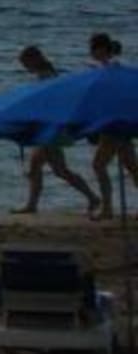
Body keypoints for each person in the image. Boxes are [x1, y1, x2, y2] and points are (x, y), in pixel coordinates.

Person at [12, 46, 99, 215]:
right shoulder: (47, 74)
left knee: (57, 170)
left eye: (25, 63)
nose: (24, 67)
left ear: (33, 60)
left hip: (51, 130)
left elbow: (49, 103)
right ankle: (32, 205)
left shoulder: (46, 76)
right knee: (44, 168)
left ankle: (92, 198)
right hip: (51, 129)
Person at [86, 33, 137, 219]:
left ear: (102, 49)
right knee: (131, 166)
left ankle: (107, 208)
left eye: (93, 48)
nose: (91, 52)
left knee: (98, 165)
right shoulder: (107, 66)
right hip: (116, 122)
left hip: (114, 124)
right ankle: (107, 208)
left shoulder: (112, 67)